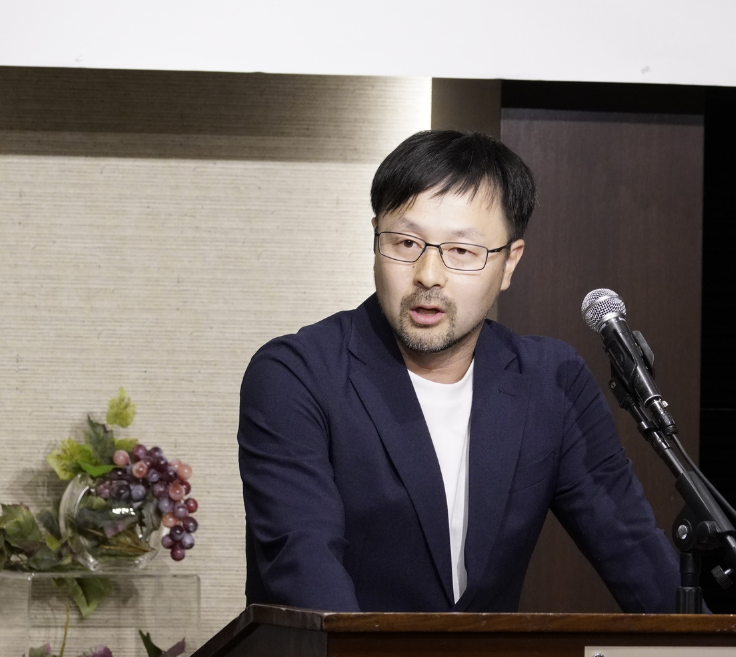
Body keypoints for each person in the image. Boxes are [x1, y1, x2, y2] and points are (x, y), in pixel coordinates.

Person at [238, 130, 681, 613]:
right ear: (375, 238)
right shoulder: (296, 376)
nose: (428, 275)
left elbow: (633, 550)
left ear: (509, 263)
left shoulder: (551, 381)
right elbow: (304, 566)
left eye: (462, 251)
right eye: (406, 242)